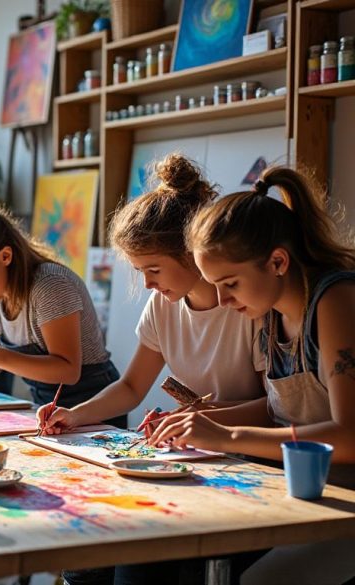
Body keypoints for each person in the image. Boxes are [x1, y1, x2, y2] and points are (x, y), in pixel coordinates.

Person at [148, 166, 355, 585]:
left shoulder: (335, 301)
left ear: (278, 261)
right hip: (303, 494)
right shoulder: (272, 313)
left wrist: (229, 438)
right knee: (160, 546)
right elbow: (283, 408)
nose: (223, 300)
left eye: (230, 284)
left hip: (344, 503)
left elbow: (349, 435)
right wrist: (200, 424)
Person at [38, 154, 265, 436]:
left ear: (190, 253)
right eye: (139, 271)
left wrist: (198, 417)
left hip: (251, 454)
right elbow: (132, 387)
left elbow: (272, 409)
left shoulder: (248, 306)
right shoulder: (161, 305)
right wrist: (75, 415)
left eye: (154, 270)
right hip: (204, 448)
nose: (147, 283)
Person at [0, 200, 125, 427]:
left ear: (5, 256)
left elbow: (68, 371)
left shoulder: (49, 285)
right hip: (48, 409)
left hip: (94, 406)